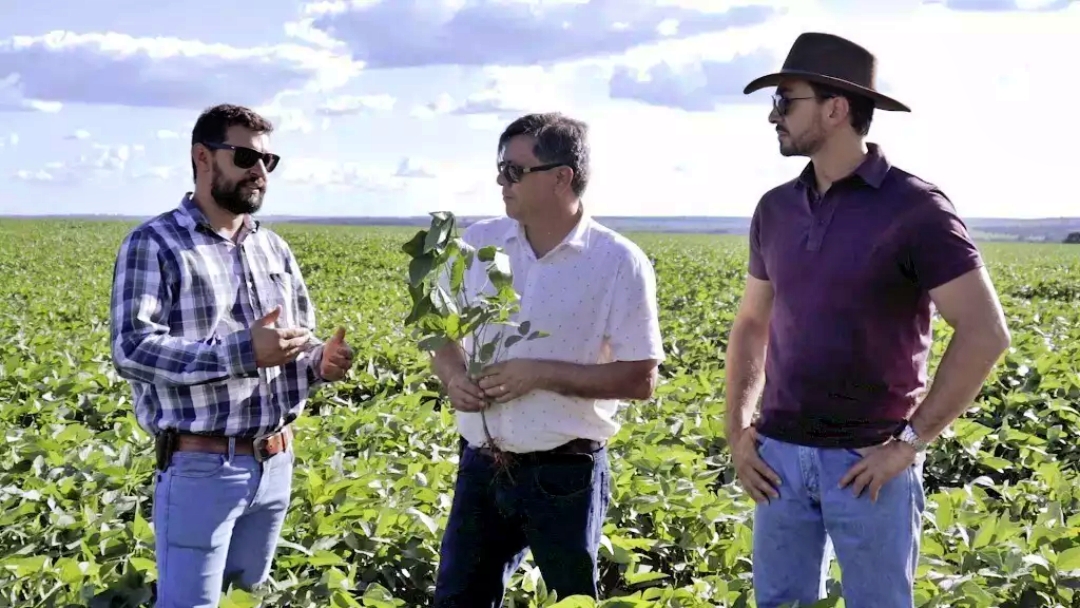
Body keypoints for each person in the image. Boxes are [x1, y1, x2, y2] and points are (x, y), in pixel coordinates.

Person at [724, 33, 1011, 608]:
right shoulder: (775, 208)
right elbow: (753, 322)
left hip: (868, 464)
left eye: (786, 100)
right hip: (776, 460)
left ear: (835, 108)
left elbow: (985, 333)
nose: (773, 116)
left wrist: (909, 443)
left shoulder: (916, 209)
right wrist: (738, 432)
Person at [109, 103, 355, 607]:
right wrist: (241, 353)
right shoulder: (154, 243)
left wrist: (319, 363)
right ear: (203, 157)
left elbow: (295, 343)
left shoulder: (274, 249)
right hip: (201, 467)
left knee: (247, 596)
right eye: (245, 156)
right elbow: (133, 348)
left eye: (269, 160)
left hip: (275, 462)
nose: (260, 172)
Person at [429, 112, 665, 607]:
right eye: (500, 167)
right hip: (481, 464)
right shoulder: (476, 243)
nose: (500, 180)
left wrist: (541, 374)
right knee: (457, 600)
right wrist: (452, 375)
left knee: (570, 599)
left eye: (515, 170)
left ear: (562, 177)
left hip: (566, 474)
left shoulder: (618, 262)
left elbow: (641, 378)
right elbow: (435, 328)